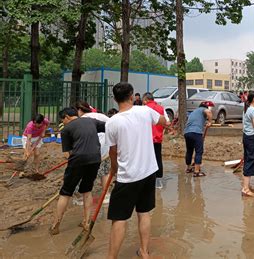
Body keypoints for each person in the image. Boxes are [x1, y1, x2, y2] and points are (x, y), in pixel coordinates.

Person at [105, 82, 167, 258]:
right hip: (148, 172)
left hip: (128, 176)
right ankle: (144, 252)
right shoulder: (145, 111)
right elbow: (163, 121)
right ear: (132, 96)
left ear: (115, 99)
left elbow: (112, 151)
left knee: (119, 218)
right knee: (144, 213)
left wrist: (114, 169)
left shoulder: (112, 122)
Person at [50, 107, 105, 235]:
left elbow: (70, 153)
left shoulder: (66, 130)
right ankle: (86, 222)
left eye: (62, 120)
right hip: (95, 159)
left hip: (77, 160)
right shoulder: (92, 121)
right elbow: (110, 127)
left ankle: (55, 225)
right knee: (87, 190)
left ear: (67, 117)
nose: (63, 123)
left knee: (65, 192)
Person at [75, 101, 111, 200]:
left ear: (80, 110)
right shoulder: (101, 115)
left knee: (85, 172)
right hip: (105, 148)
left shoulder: (82, 120)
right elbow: (112, 126)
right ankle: (106, 195)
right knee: (105, 172)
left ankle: (82, 197)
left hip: (90, 150)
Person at [142, 92, 170, 188]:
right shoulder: (161, 108)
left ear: (145, 100)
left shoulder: (144, 109)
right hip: (157, 138)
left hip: (146, 139)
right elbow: (167, 122)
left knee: (146, 159)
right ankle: (158, 182)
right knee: (158, 158)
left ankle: (147, 181)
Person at [184, 102, 212, 177]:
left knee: (189, 151)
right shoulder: (203, 109)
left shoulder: (194, 112)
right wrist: (210, 122)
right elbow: (208, 112)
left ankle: (188, 168)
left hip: (187, 133)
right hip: (196, 132)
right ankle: (196, 171)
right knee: (199, 151)